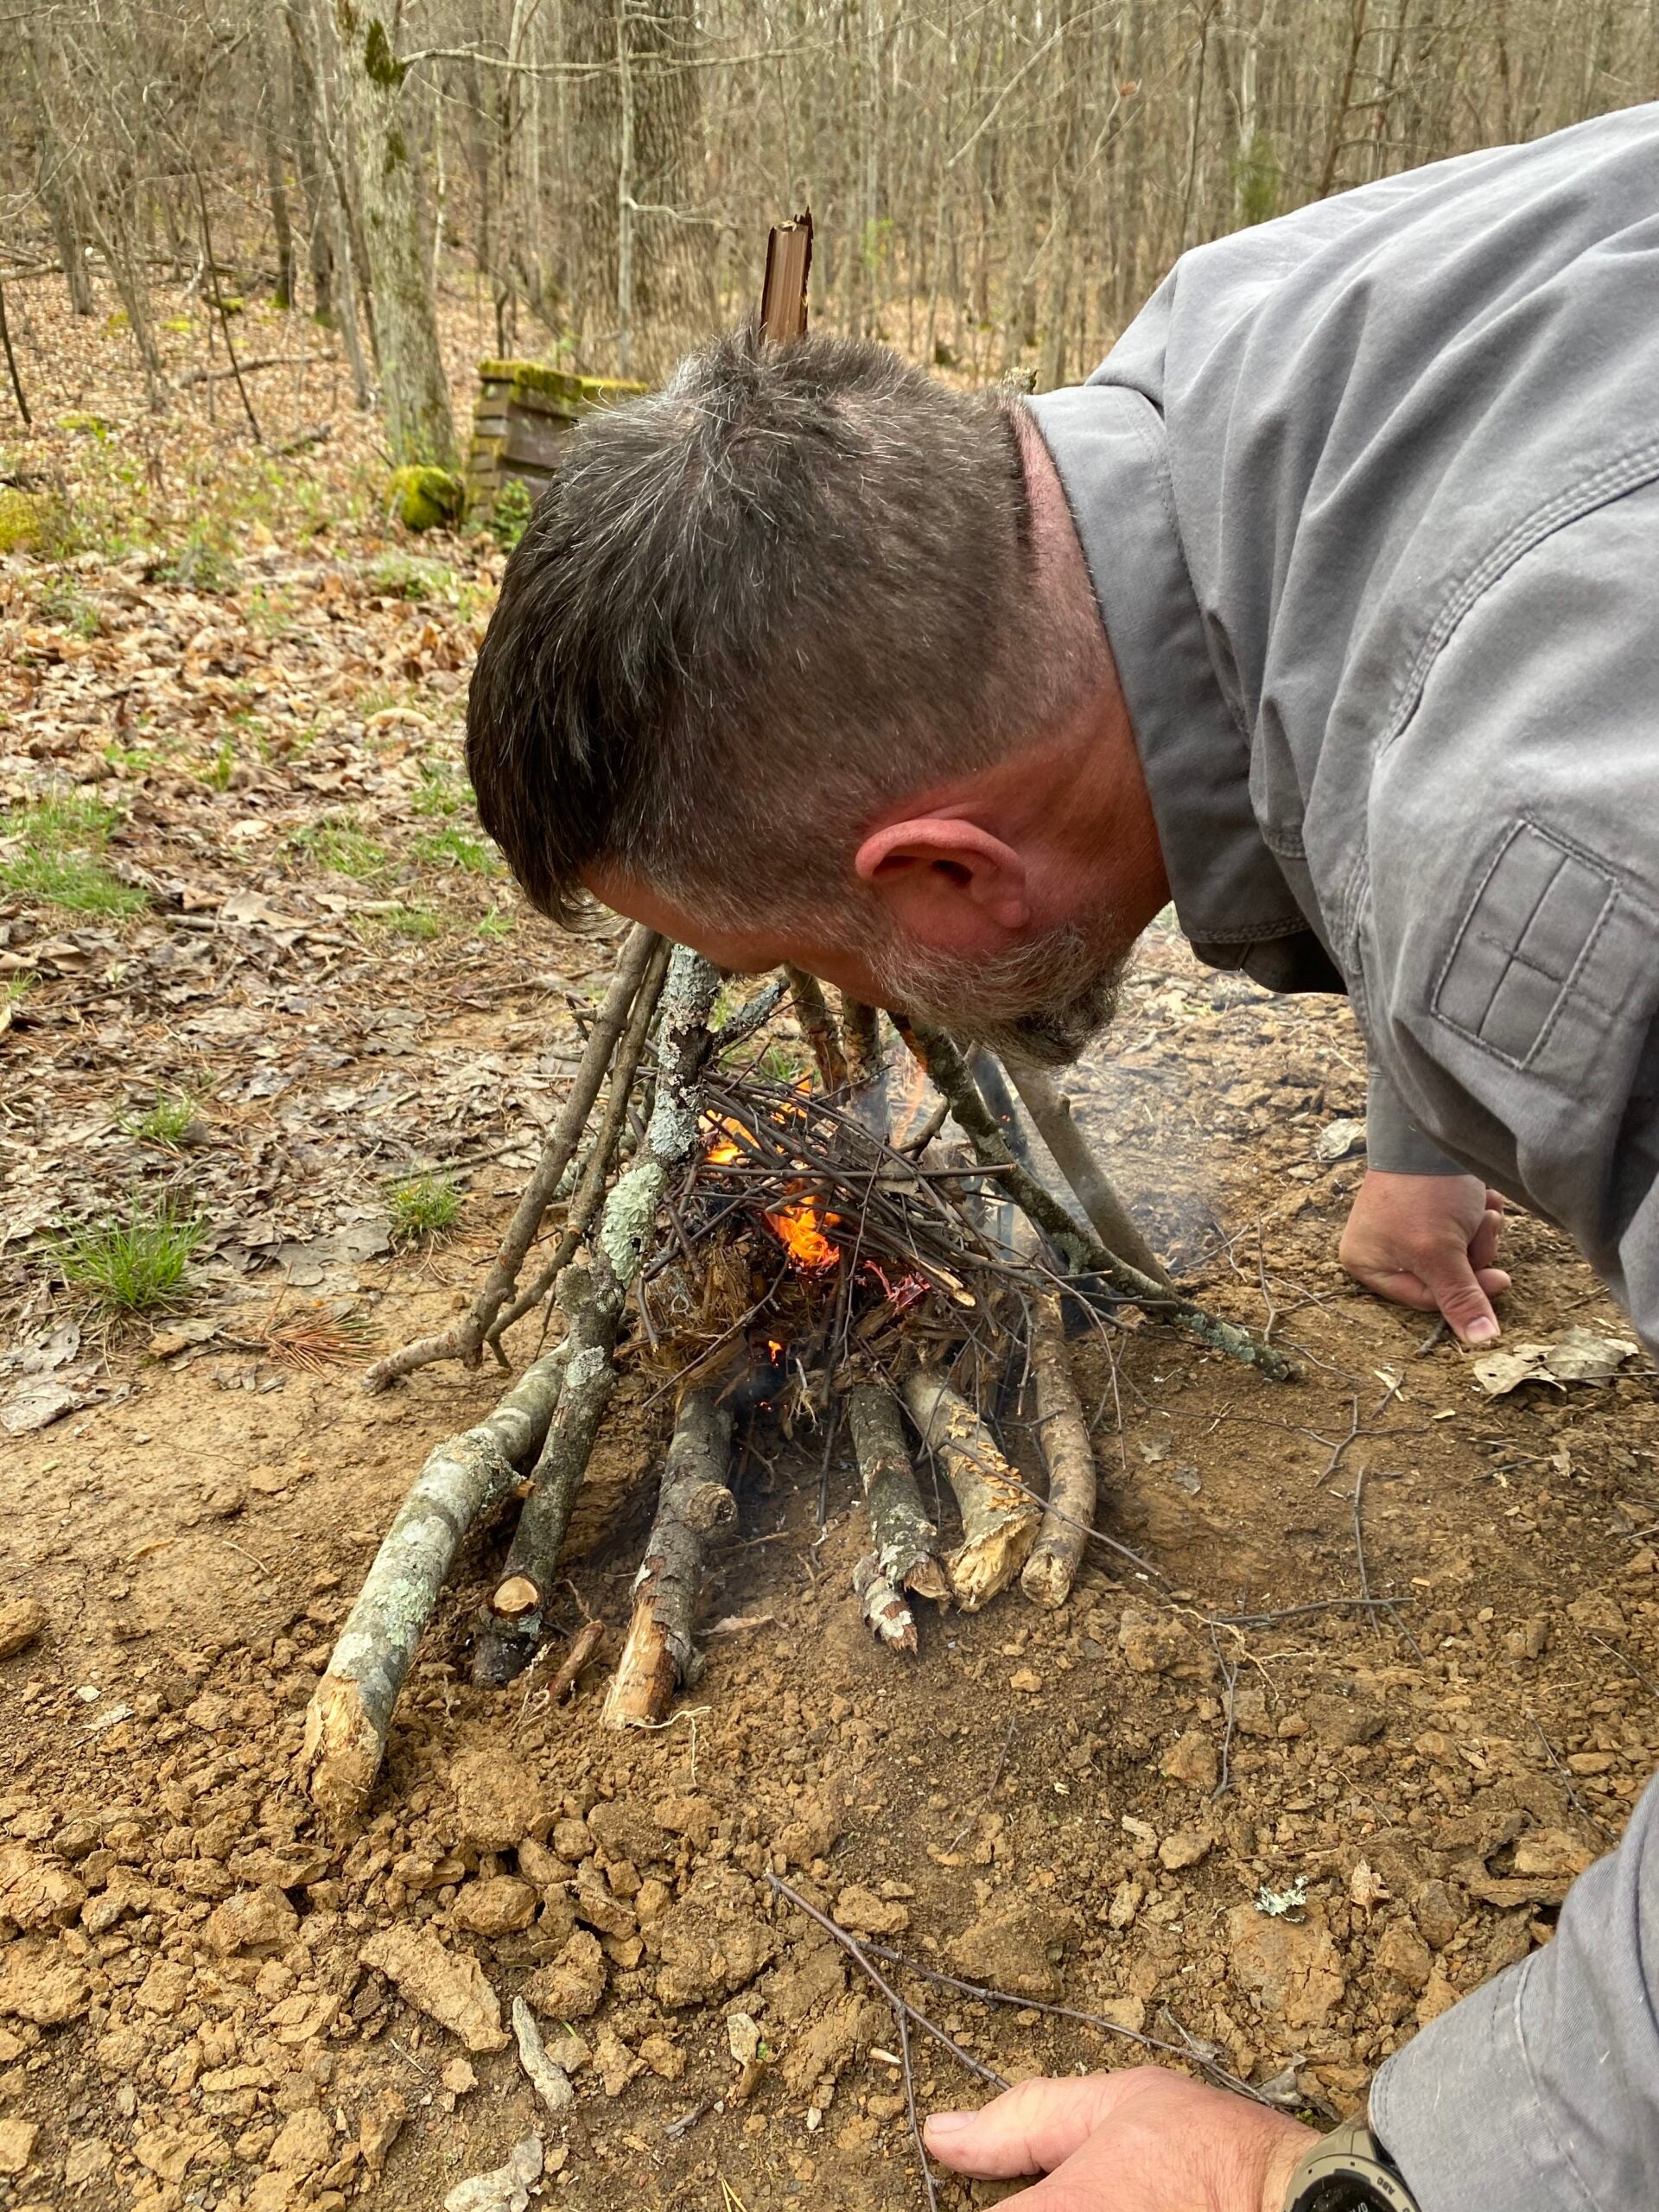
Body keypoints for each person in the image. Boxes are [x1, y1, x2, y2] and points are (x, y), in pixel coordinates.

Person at [464, 100, 1659, 2212]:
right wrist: (1445, 1099)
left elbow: (1541, 824)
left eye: (819, 963)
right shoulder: (1224, 362)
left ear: (943, 869)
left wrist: (1356, 2188)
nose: (853, 1016)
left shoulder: (1543, 851)